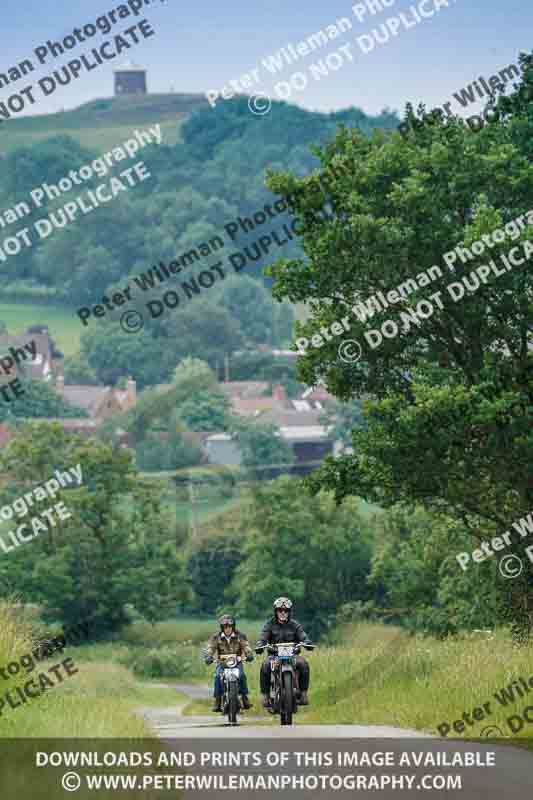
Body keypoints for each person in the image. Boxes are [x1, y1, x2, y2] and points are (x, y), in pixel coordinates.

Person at [255, 596, 312, 708]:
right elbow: (263, 636)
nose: (282, 613)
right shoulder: (269, 624)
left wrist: (307, 641)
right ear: (275, 612)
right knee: (265, 665)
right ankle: (265, 695)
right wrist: (260, 644)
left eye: (285, 611)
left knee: (304, 664)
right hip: (274, 655)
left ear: (289, 612)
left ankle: (303, 693)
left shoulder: (295, 625)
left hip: (293, 655)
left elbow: (303, 635)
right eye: (280, 610)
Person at [204, 614, 254, 712]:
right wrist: (208, 656)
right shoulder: (216, 637)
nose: (227, 628)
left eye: (230, 626)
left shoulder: (240, 635)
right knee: (217, 676)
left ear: (233, 626)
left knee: (242, 675)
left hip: (237, 662)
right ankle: (218, 700)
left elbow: (246, 646)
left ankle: (245, 698)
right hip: (222, 663)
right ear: (222, 627)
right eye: (225, 626)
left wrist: (249, 654)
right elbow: (210, 648)